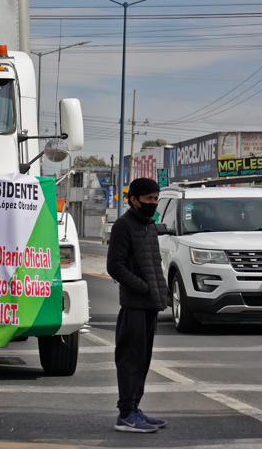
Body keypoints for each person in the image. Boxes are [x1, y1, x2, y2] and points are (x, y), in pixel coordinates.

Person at [106, 177, 169, 433]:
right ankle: (125, 415)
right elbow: (115, 266)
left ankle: (135, 408)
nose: (153, 203)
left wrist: (159, 292)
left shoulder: (149, 226)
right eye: (148, 199)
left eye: (156, 199)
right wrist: (144, 288)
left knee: (142, 361)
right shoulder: (123, 226)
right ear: (134, 200)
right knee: (130, 360)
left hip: (149, 305)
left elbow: (154, 265)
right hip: (134, 305)